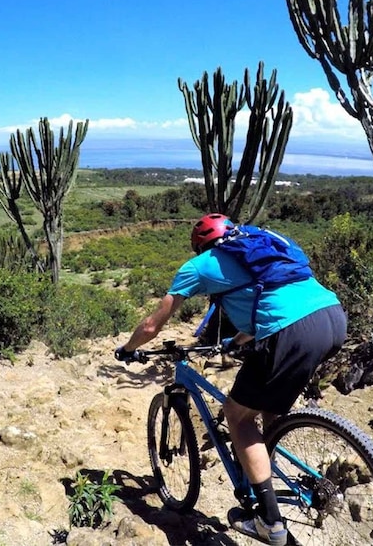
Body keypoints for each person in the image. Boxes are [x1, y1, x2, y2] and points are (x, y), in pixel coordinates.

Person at [115, 213, 347, 546]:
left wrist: (128, 348)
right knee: (268, 409)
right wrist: (234, 342)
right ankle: (266, 475)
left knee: (237, 415)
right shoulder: (263, 246)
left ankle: (269, 522)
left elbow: (153, 325)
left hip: (290, 330)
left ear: (200, 245)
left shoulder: (199, 266)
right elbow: (266, 304)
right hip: (332, 317)